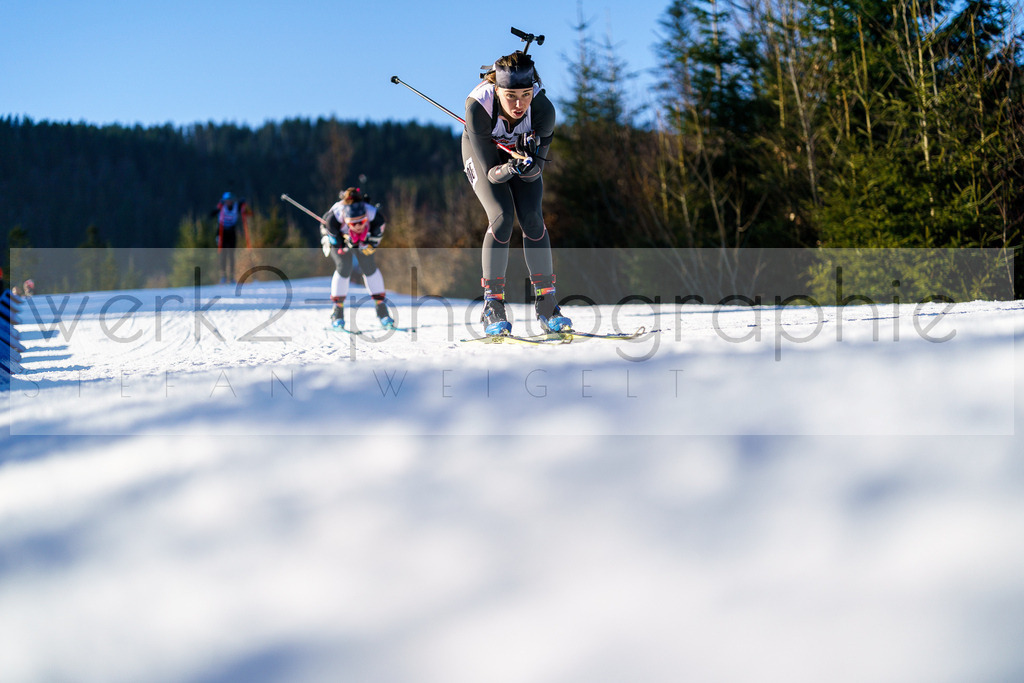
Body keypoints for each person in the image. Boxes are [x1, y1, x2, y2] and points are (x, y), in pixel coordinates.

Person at [462, 48, 571, 336]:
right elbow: (492, 174)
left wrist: (530, 161)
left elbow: (537, 173)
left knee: (533, 217)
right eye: (511, 96)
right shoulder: (478, 107)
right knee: (501, 217)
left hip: (516, 160)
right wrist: (512, 167)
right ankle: (493, 305)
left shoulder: (544, 110)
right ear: (497, 90)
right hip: (485, 156)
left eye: (525, 94)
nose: (519, 103)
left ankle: (547, 303)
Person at [321, 187, 395, 330]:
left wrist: (365, 245)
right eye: (353, 223)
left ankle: (382, 311)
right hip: (339, 238)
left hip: (363, 241)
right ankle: (337, 312)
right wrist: (345, 244)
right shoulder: (333, 219)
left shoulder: (375, 217)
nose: (358, 226)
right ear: (347, 221)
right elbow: (337, 245)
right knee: (344, 266)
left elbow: (374, 242)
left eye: (361, 222)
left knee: (369, 266)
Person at [209, 191, 251, 283]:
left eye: (230, 200)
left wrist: (244, 204)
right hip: (222, 232)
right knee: (223, 255)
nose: (229, 202)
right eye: (227, 200)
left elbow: (248, 213)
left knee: (231, 255)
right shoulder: (221, 207)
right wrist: (217, 208)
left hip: (232, 232)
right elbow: (211, 214)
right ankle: (223, 276)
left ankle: (232, 276)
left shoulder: (237, 206)